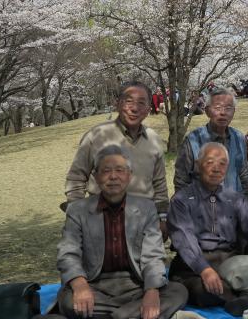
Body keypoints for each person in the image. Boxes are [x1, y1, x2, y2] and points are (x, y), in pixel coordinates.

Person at [40, 145, 188, 319]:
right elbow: (68, 253)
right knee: (69, 300)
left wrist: (151, 291)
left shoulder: (146, 209)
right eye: (106, 171)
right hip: (94, 285)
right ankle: (131, 315)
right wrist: (80, 286)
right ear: (95, 176)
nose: (113, 177)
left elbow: (153, 254)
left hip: (135, 285)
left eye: (120, 170)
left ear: (129, 175)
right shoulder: (78, 210)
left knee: (178, 292)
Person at [167, 143, 248, 316]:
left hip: (230, 259)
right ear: (198, 165)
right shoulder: (181, 200)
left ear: (227, 169)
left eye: (222, 163)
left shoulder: (235, 198)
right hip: (194, 263)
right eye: (210, 162)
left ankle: (245, 297)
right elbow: (185, 242)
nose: (216, 168)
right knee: (202, 290)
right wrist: (204, 270)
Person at [63, 81, 170, 240]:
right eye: (128, 101)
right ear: (117, 104)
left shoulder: (154, 140)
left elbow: (159, 185)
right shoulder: (97, 136)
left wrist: (162, 218)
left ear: (149, 109)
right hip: (101, 224)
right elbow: (76, 178)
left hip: (143, 225)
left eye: (141, 103)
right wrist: (79, 216)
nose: (134, 108)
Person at [174, 87, 248, 199]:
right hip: (201, 210)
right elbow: (181, 181)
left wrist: (244, 205)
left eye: (228, 108)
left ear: (234, 111)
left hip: (234, 208)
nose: (223, 113)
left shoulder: (239, 138)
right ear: (207, 111)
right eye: (217, 108)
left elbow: (244, 176)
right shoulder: (193, 140)